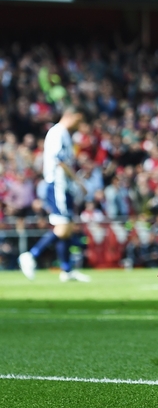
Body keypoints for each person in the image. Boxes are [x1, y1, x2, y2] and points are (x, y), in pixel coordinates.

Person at [18, 106, 91, 282]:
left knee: (66, 227)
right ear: (70, 115)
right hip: (57, 184)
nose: (79, 125)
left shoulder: (65, 134)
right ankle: (31, 255)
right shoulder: (57, 133)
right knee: (63, 226)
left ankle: (66, 270)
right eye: (78, 120)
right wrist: (78, 181)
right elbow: (60, 161)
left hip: (64, 186)